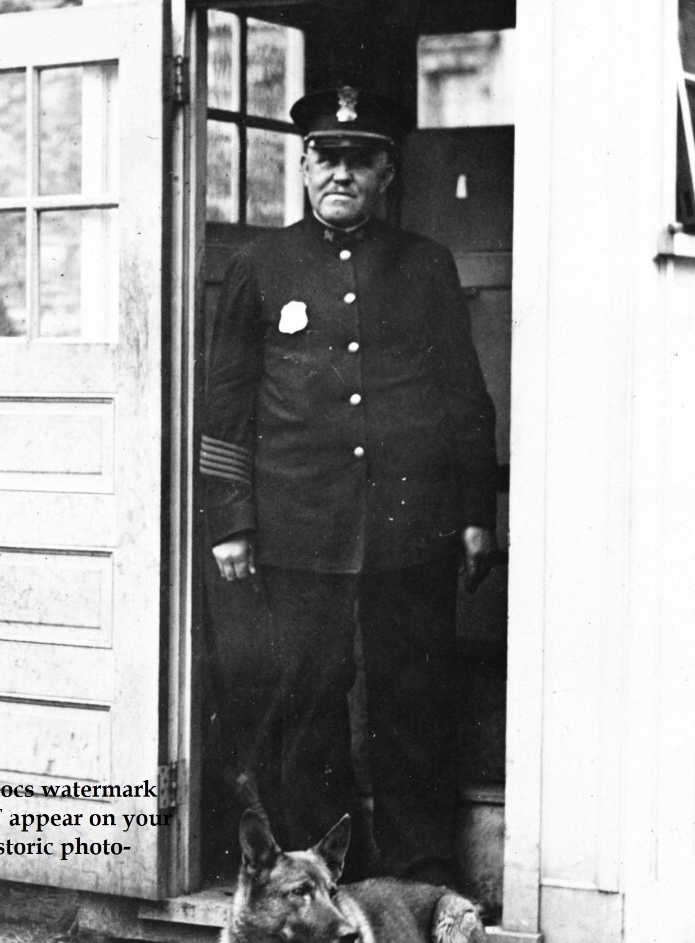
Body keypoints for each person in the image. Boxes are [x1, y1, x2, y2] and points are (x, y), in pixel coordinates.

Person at [201, 84, 499, 884]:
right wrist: (231, 520)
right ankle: (326, 878)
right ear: (301, 167)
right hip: (299, 528)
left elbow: (463, 399)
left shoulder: (424, 267)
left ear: (385, 172)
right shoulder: (259, 266)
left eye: (358, 162)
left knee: (412, 706)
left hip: (411, 528)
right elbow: (224, 403)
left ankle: (417, 881)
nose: (340, 175)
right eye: (325, 159)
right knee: (305, 708)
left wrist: (474, 513)